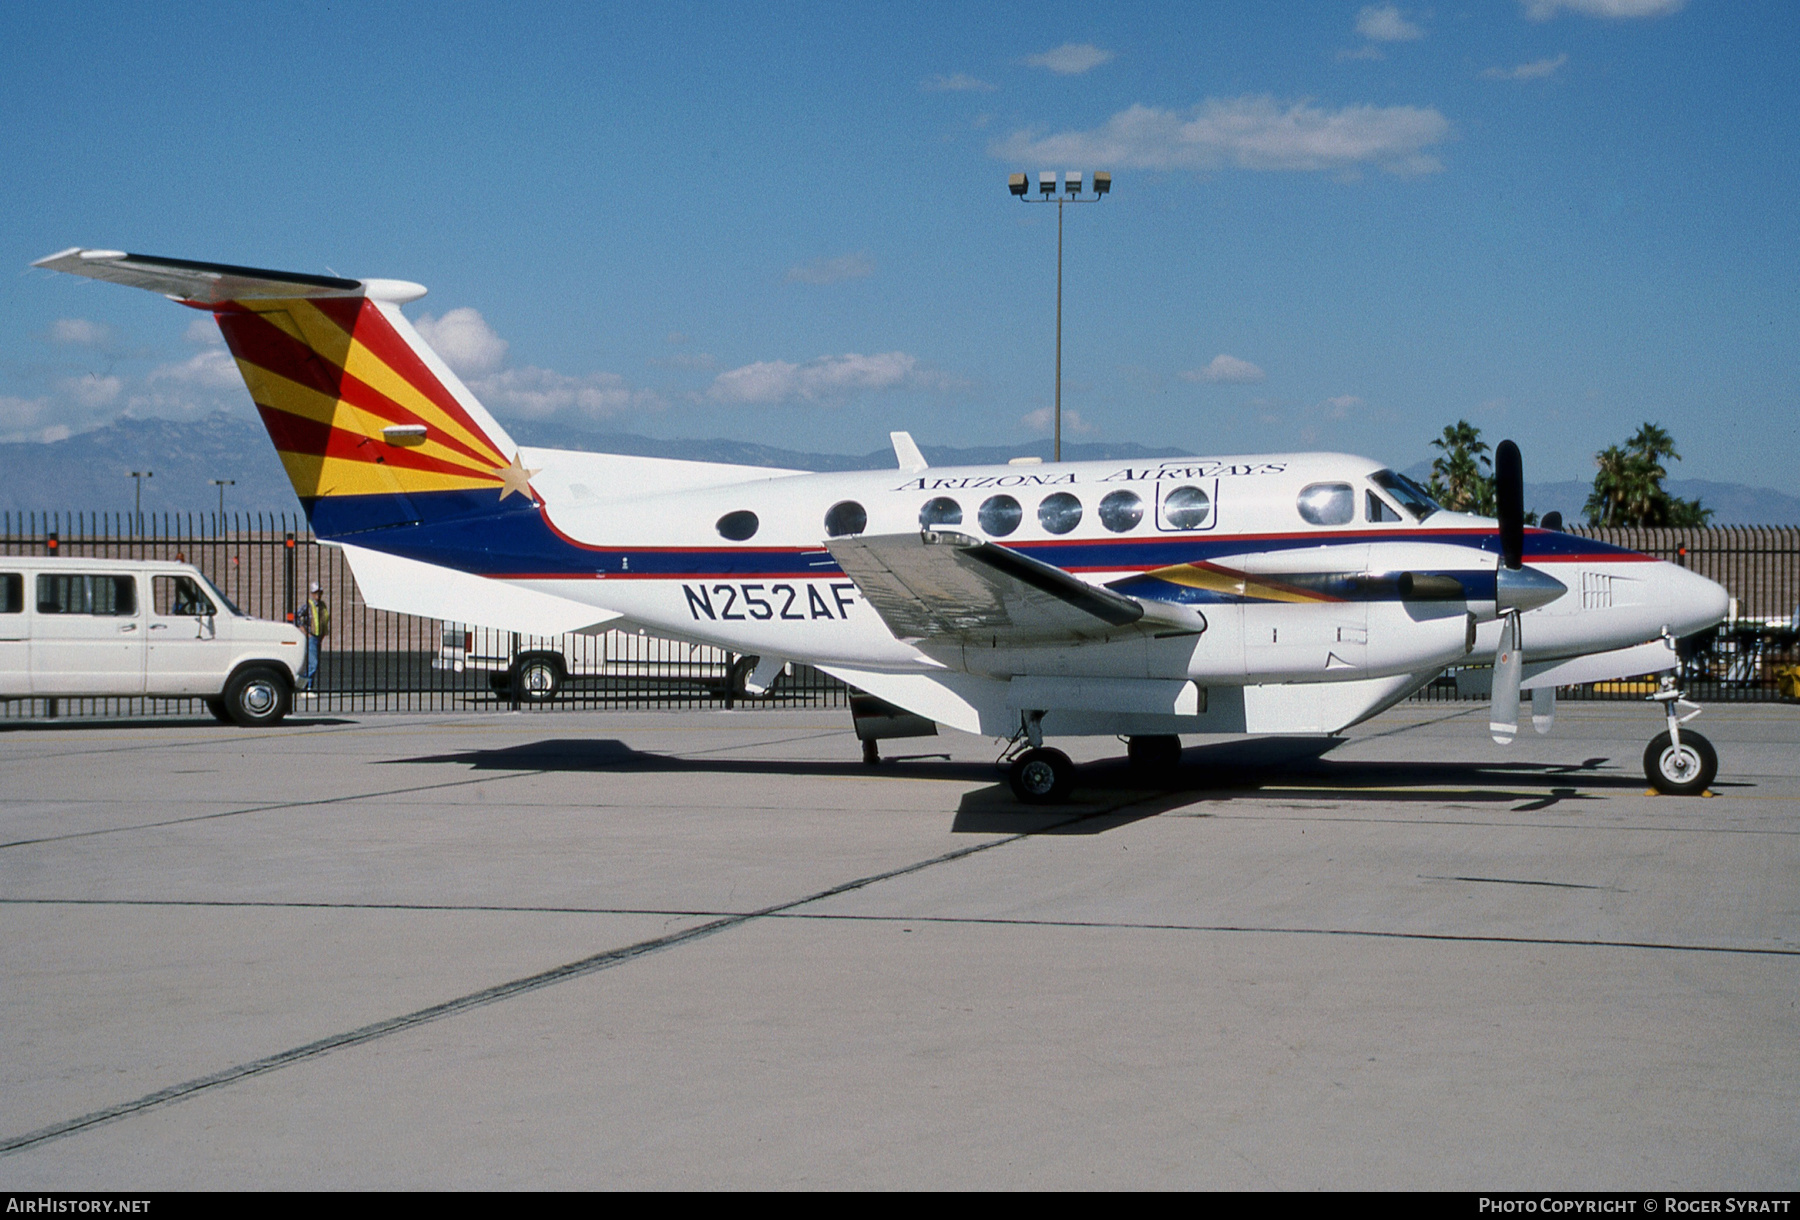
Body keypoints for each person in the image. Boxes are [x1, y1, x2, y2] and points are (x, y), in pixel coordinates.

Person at [296, 581, 330, 693]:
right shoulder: (308, 605)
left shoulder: (322, 605)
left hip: (319, 637)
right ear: (311, 593)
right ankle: (307, 687)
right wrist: (305, 632)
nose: (318, 595)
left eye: (320, 593)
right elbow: (297, 617)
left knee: (313, 663)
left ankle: (302, 685)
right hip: (312, 637)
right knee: (313, 664)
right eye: (316, 593)